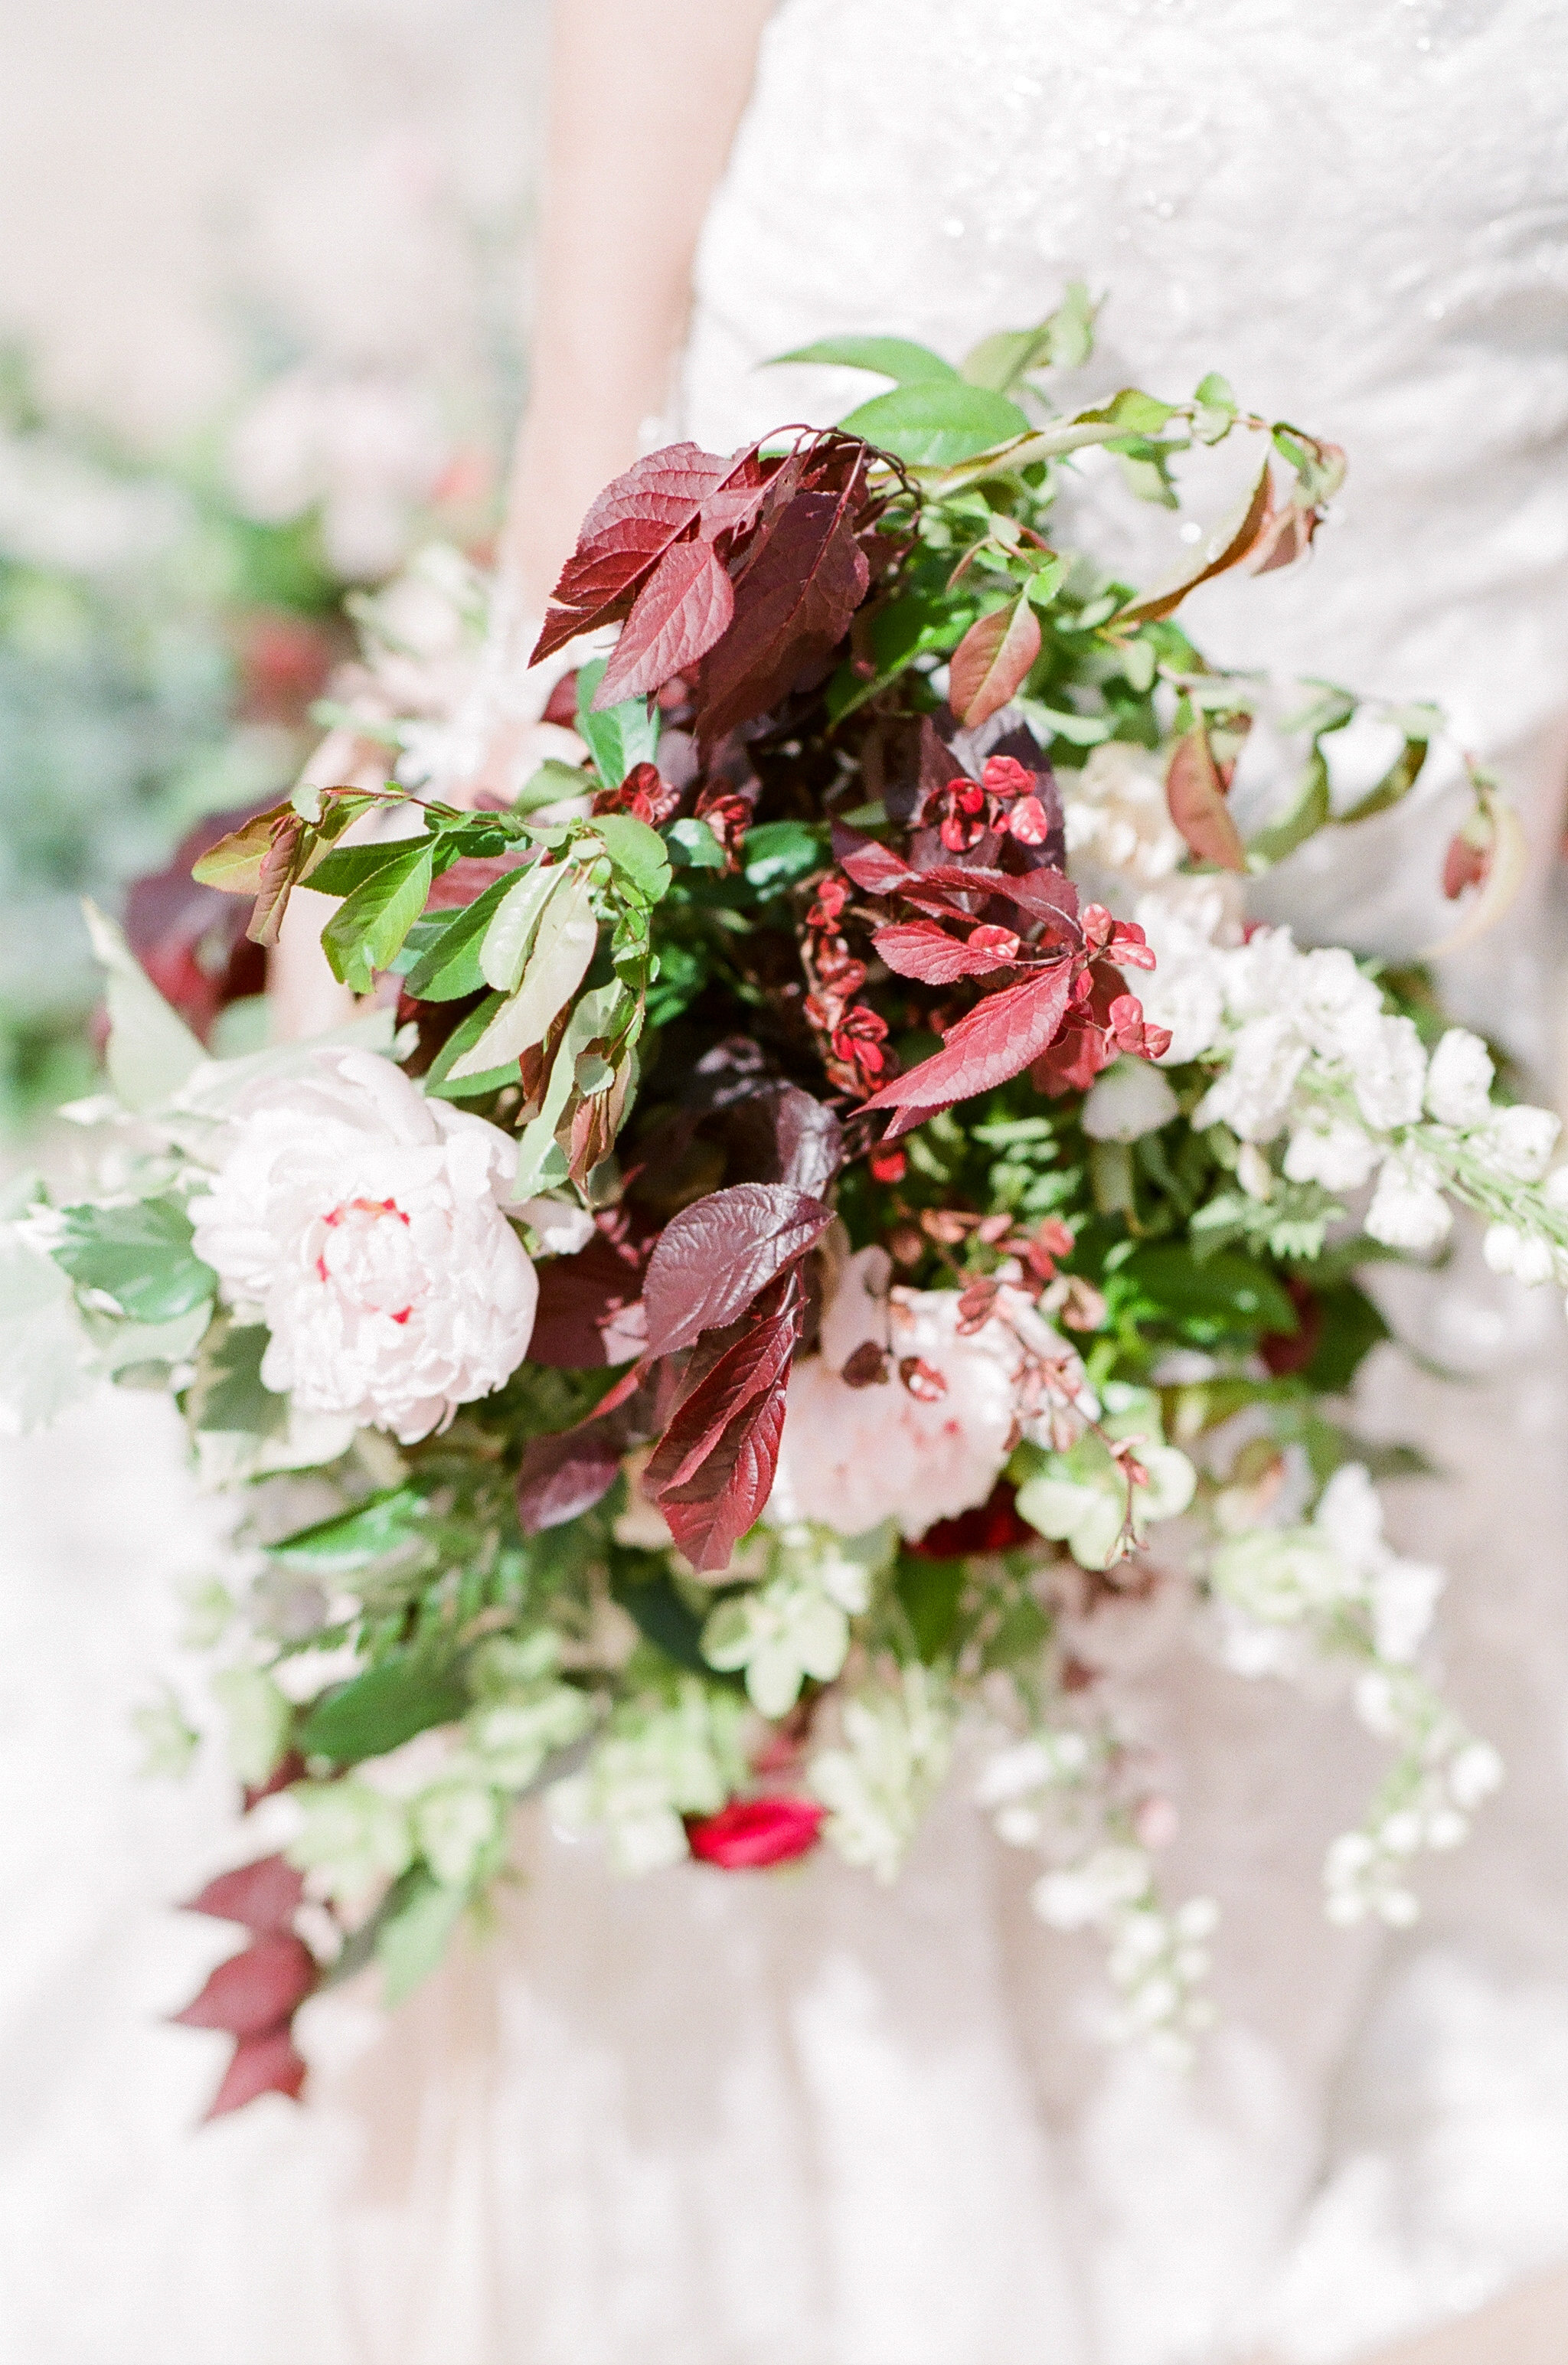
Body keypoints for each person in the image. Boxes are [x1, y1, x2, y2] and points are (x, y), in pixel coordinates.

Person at [6, 4, 1568, 2360]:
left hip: (1429, 628)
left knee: (1275, 1511)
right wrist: (564, 596)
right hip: (865, 454)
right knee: (703, 1588)